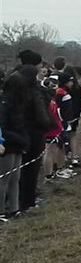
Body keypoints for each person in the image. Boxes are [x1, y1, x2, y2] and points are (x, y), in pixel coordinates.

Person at [18, 64, 53, 211]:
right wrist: (48, 125)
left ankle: (19, 201)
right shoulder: (35, 92)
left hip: (19, 133)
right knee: (31, 169)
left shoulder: (16, 92)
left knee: (21, 170)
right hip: (34, 133)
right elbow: (42, 116)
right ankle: (28, 202)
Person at [0, 73, 28, 220]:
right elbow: (2, 126)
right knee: (4, 178)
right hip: (7, 145)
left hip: (19, 144)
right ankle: (1, 210)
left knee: (15, 178)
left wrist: (24, 140)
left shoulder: (19, 103)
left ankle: (14, 208)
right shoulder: (4, 103)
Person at [65, 66, 81, 167]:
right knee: (73, 135)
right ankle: (74, 157)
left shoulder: (63, 89)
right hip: (74, 115)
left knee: (64, 136)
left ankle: (65, 155)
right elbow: (80, 103)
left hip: (65, 116)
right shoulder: (78, 87)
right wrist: (77, 115)